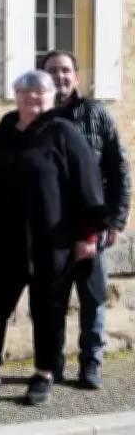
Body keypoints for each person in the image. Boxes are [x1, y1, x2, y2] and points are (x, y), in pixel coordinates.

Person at [0, 70, 107, 407]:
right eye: (25, 91)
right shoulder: (1, 132)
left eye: (40, 92)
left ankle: (43, 375)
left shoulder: (64, 132)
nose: (32, 97)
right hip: (4, 242)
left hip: (50, 242)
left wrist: (87, 235)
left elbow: (88, 185)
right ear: (16, 95)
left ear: (52, 96)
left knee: (49, 311)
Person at [42, 50, 131, 388]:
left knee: (93, 298)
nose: (60, 77)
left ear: (76, 77)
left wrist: (116, 220)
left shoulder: (96, 114)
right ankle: (52, 366)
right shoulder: (38, 117)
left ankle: (91, 363)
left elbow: (119, 168)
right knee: (54, 299)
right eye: (52, 71)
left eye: (65, 71)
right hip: (52, 229)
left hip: (93, 225)